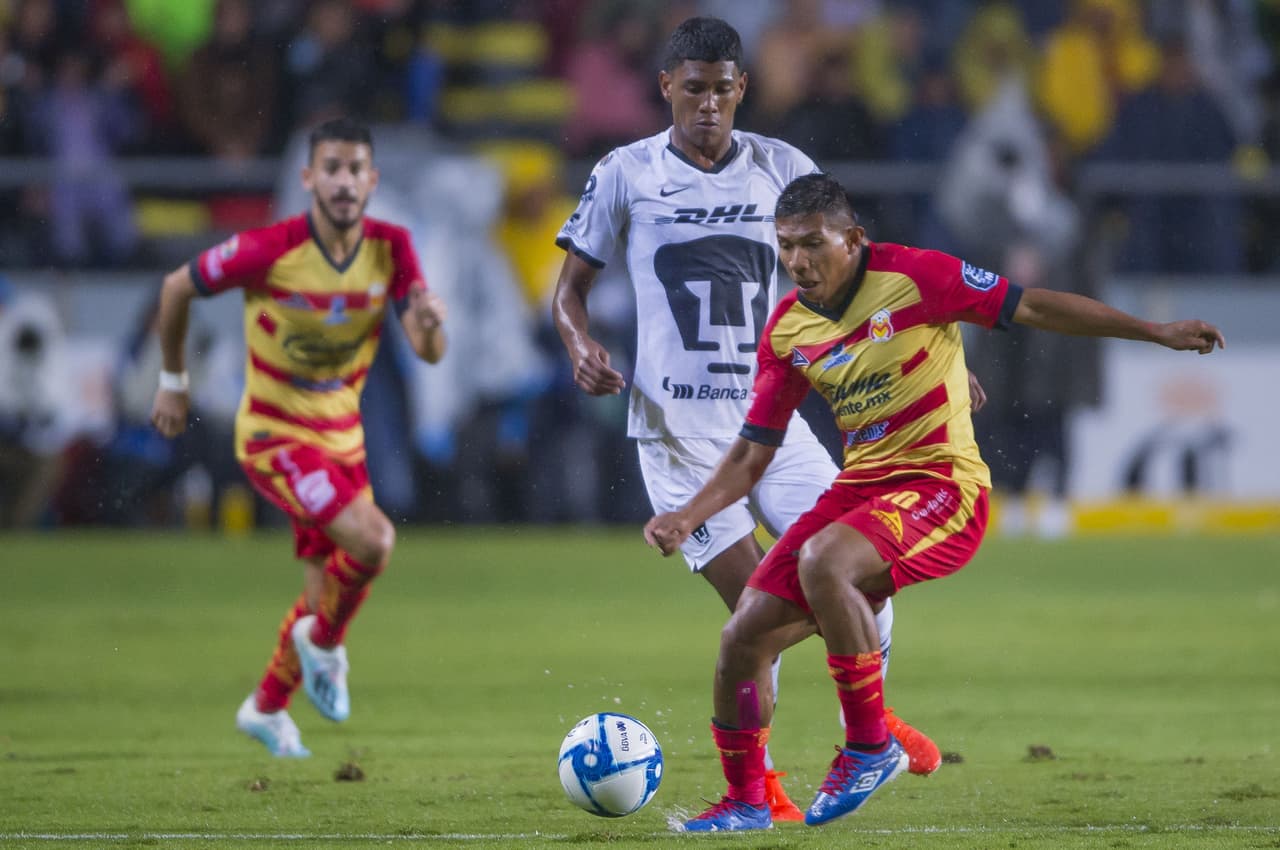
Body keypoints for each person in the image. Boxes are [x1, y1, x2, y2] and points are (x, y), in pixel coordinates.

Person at [644, 172, 1225, 831]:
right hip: (861, 489)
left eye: (812, 244)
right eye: (785, 247)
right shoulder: (788, 329)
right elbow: (754, 451)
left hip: (942, 486)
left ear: (853, 239)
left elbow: (1032, 306)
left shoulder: (919, 277)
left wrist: (1155, 331)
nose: (797, 262)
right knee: (742, 636)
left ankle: (869, 746)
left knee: (822, 562)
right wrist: (689, 516)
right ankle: (747, 800)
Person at [551, 16, 941, 822]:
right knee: (757, 613)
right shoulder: (625, 172)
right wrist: (578, 342)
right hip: (677, 438)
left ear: (742, 89)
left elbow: (854, 281)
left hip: (774, 422)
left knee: (865, 571)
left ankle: (865, 733)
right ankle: (761, 788)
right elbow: (570, 287)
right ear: (665, 88)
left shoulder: (782, 168)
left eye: (723, 90)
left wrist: (928, 355)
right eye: (692, 89)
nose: (708, 105)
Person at [150, 117, 448, 757]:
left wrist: (429, 324)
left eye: (355, 169)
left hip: (345, 443)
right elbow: (177, 286)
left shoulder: (392, 246)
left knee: (323, 595)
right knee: (374, 541)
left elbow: (428, 351)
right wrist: (172, 381)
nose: (344, 181)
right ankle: (327, 646)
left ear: (373, 179)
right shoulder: (272, 247)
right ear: (309, 177)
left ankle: (265, 706)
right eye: (331, 168)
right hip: (275, 439)